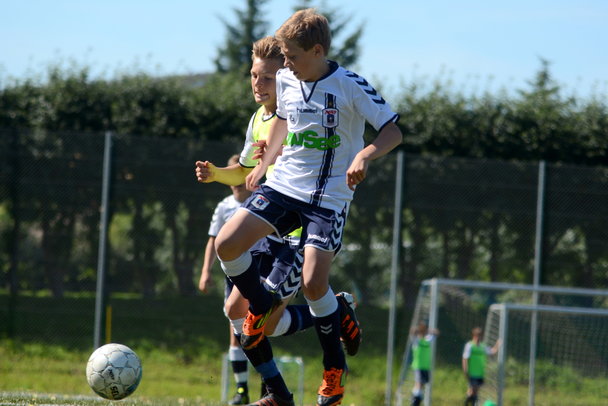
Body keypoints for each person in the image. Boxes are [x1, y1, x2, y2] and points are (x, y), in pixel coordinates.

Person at [214, 9, 403, 406]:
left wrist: (364, 155)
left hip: (328, 200)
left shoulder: (349, 85)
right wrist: (264, 164)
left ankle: (333, 371)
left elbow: (392, 131)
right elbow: (283, 121)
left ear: (317, 51)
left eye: (292, 56)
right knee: (226, 243)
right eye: (283, 56)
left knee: (315, 283)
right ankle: (262, 304)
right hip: (284, 187)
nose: (285, 64)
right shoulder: (287, 78)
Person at [196, 36, 362, 406]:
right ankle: (280, 388)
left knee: (263, 321)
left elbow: (317, 160)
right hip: (265, 234)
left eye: (268, 78)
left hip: (298, 235)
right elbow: (244, 172)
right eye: (253, 75)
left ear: (287, 76)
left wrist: (280, 153)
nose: (258, 84)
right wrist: (216, 174)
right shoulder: (258, 119)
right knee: (238, 312)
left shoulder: (302, 114)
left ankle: (282, 386)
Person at [199, 154, 253, 405]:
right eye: (232, 177)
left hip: (260, 272)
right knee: (236, 332)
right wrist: (205, 271)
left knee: (262, 328)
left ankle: (269, 387)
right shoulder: (224, 207)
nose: (237, 183)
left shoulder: (261, 201)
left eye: (240, 176)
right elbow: (213, 240)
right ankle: (242, 390)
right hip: (234, 276)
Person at [462, 327, 500, 406]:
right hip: (472, 373)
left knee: (475, 391)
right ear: (474, 336)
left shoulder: (483, 346)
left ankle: (472, 402)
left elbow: (492, 351)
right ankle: (469, 402)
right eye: (477, 336)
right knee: (472, 390)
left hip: (480, 373)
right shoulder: (469, 345)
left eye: (480, 336)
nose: (478, 338)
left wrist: (497, 344)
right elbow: (465, 358)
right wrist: (465, 370)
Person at [409, 322, 439, 406]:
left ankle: (416, 399)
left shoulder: (427, 340)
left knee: (421, 384)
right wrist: (419, 330)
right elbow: (412, 331)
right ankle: (415, 402)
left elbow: (436, 333)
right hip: (418, 366)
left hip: (426, 366)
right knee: (418, 383)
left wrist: (427, 330)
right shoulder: (416, 340)